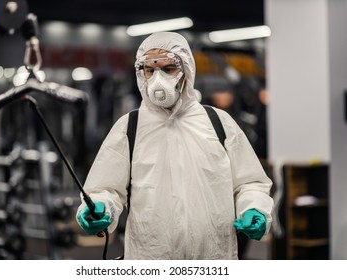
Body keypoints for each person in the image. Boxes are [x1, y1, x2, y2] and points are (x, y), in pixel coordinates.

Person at [76, 32, 273, 260]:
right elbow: (105, 188)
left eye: (168, 69)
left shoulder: (218, 123)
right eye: (150, 70)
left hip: (213, 259)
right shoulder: (129, 127)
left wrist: (254, 208)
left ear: (186, 70)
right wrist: (99, 208)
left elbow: (250, 182)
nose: (158, 79)